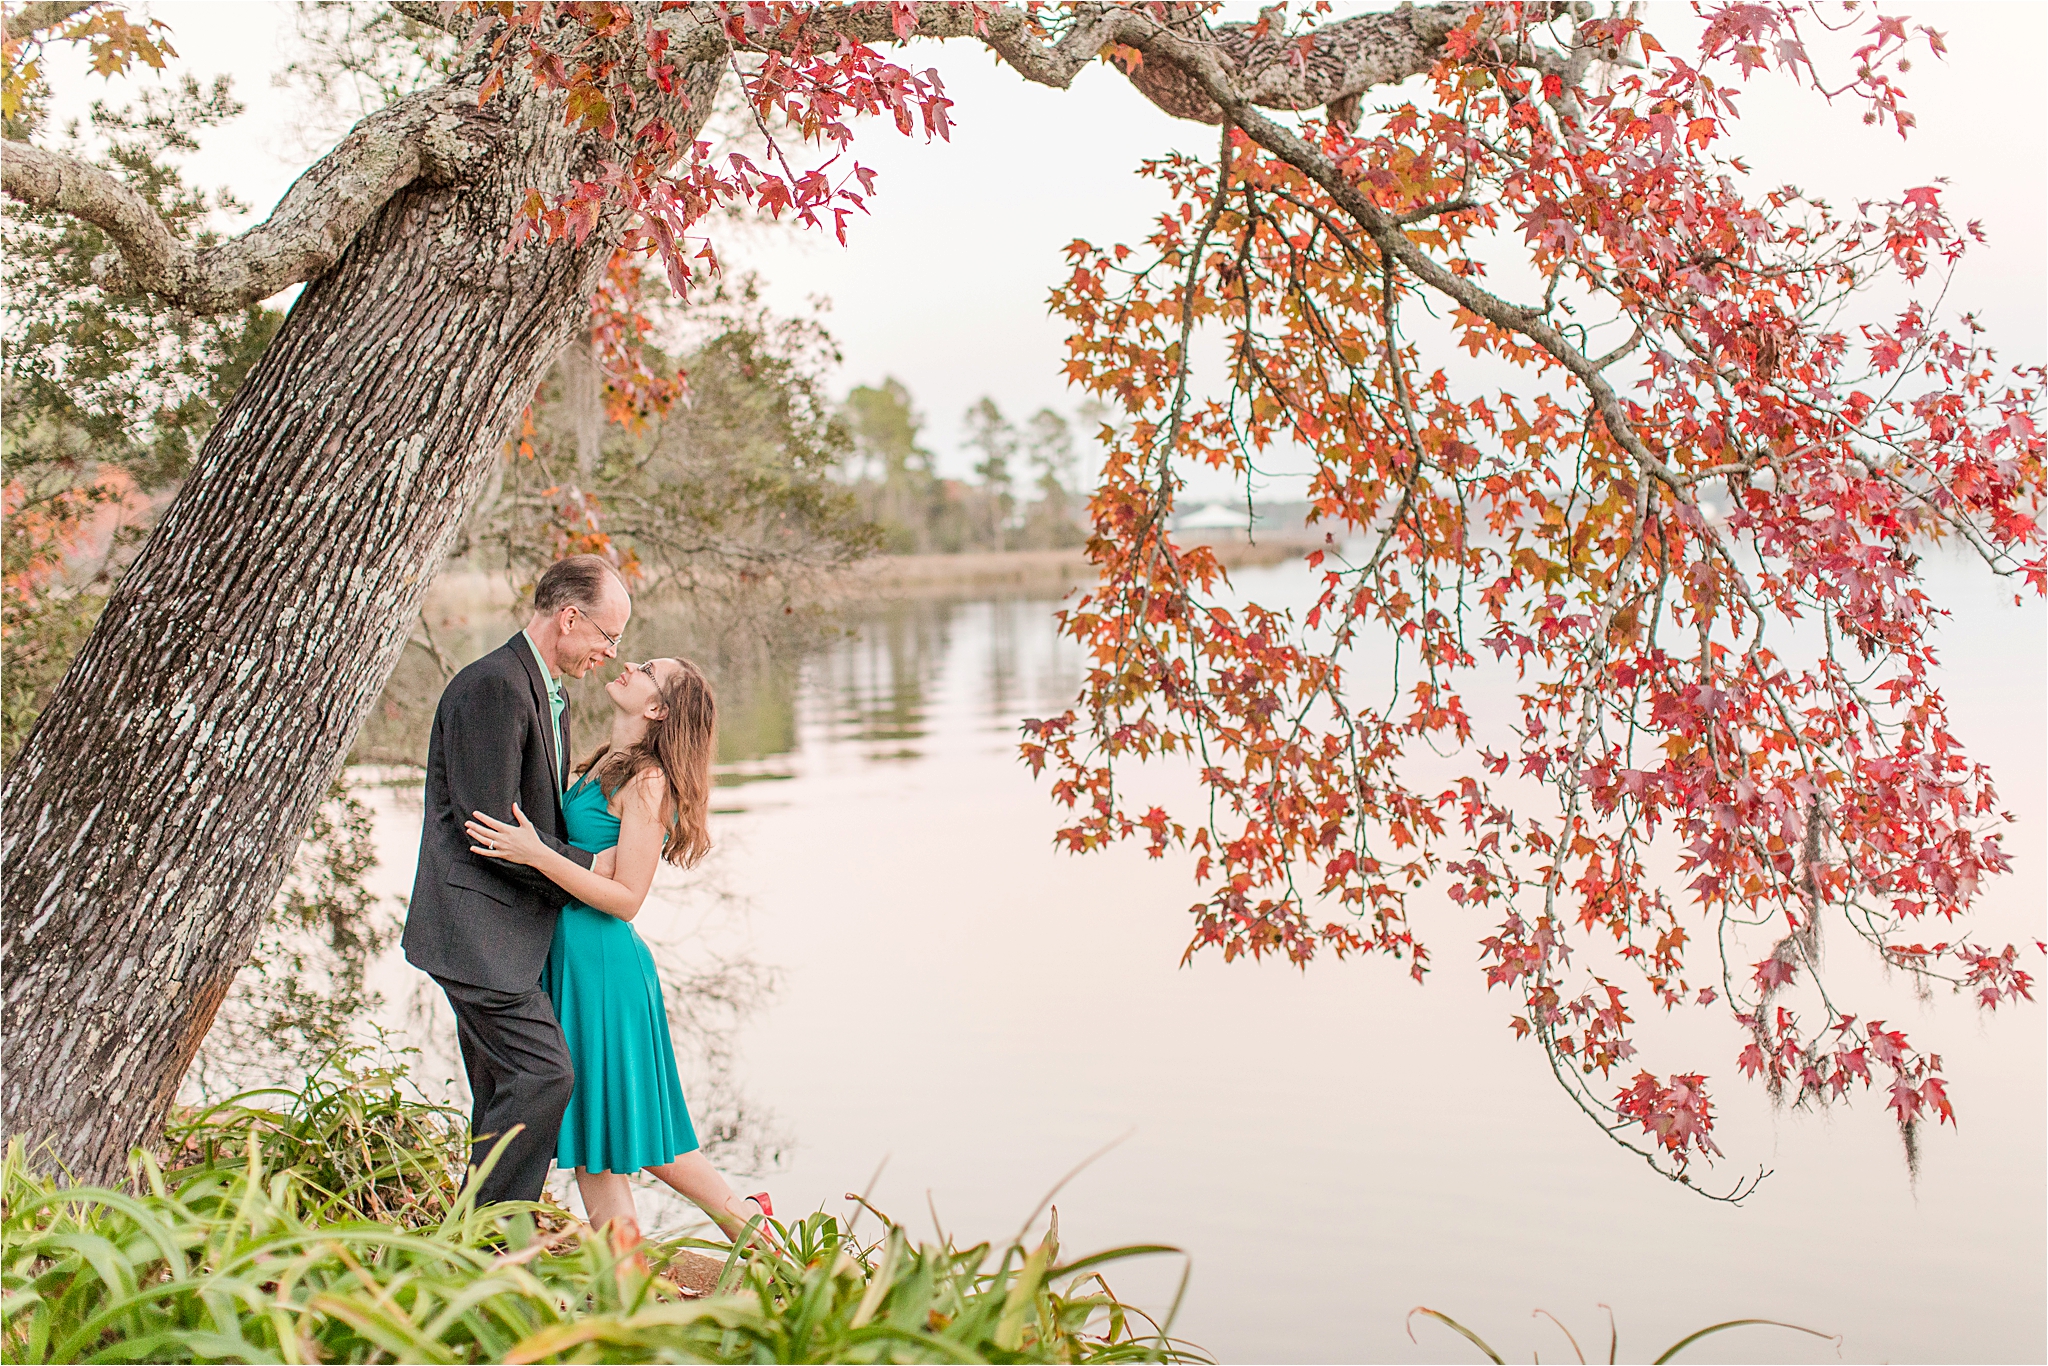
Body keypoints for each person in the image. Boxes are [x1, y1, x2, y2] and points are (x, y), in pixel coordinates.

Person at [465, 654, 771, 1245]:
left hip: (602, 967)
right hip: (572, 959)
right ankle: (652, 1273)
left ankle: (751, 1234)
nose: (628, 663)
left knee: (614, 1137)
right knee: (600, 1141)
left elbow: (627, 898)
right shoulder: (605, 762)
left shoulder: (649, 781)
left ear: (656, 709)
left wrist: (537, 854)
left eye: (647, 669)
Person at [402, 554, 630, 1207]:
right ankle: (490, 1245)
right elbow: (492, 830)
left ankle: (470, 1249)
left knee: (505, 1092)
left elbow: (528, 821)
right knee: (544, 1077)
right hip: (477, 935)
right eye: (606, 636)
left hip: (504, 937)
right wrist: (591, 871)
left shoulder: (543, 692)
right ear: (568, 618)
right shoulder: (495, 686)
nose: (610, 654)